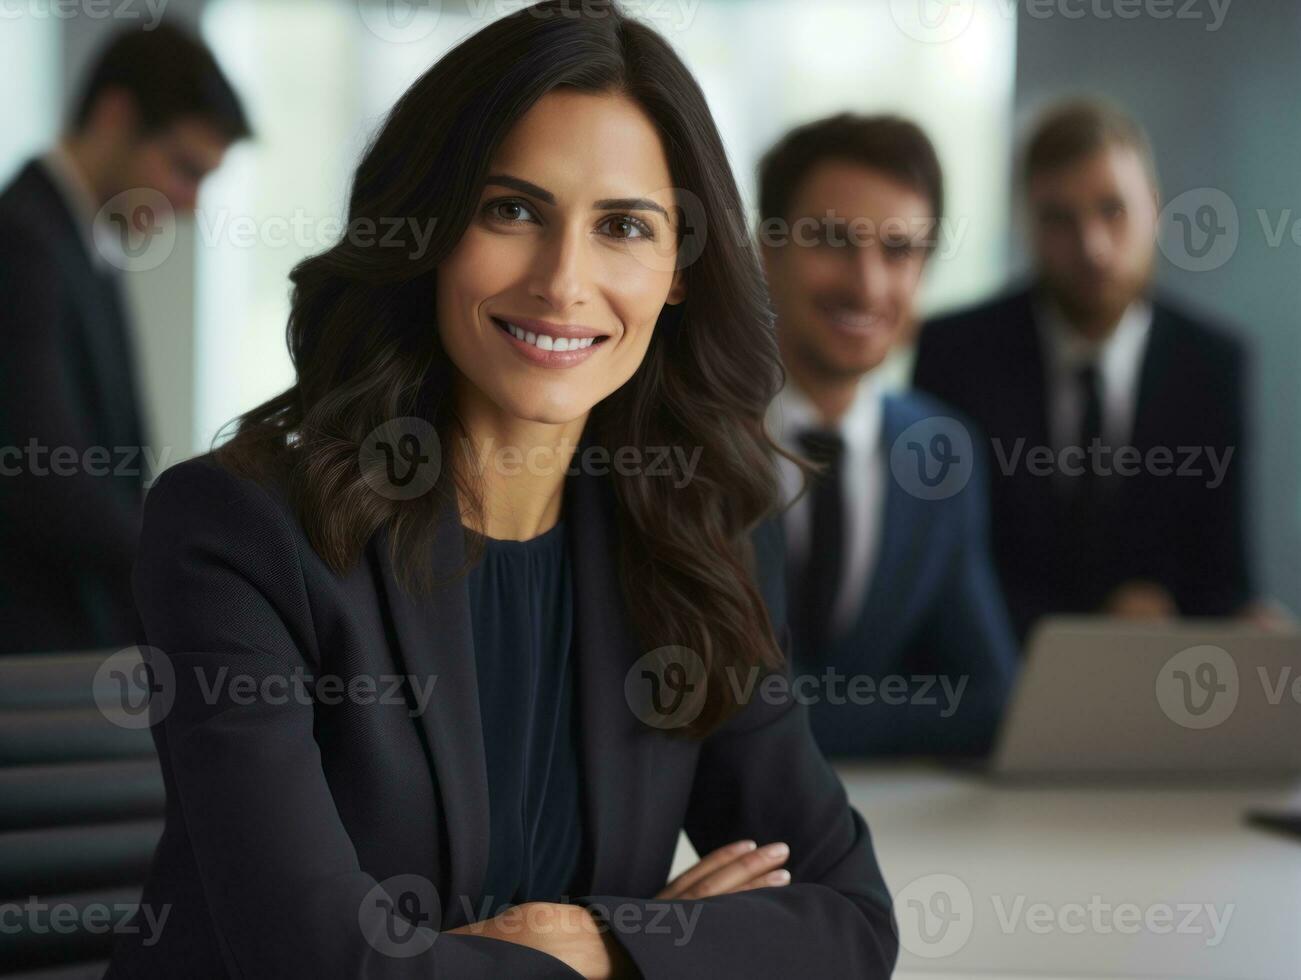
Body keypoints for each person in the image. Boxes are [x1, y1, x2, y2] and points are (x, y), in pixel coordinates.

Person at [104, 3, 898, 978]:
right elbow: (323, 965)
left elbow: (850, 919)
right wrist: (656, 948)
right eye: (511, 209)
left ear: (679, 273)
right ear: (432, 229)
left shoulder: (692, 532)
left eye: (622, 226)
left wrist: (601, 941)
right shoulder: (240, 531)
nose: (563, 281)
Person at [914, 99, 1255, 642]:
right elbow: (936, 572)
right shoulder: (955, 353)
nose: (1092, 246)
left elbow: (1225, 577)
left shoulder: (1212, 366)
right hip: (998, 688)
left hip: (1164, 687)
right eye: (1059, 219)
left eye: (1112, 210)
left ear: (1155, 209)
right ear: (1027, 223)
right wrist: (1088, 629)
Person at [759, 114, 1017, 758]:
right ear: (765, 252)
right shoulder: (676, 443)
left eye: (898, 251)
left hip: (895, 827)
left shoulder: (940, 449)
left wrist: (780, 717)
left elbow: (985, 696)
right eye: (831, 240)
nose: (867, 283)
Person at [0, 23, 249, 655]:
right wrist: (210, 561)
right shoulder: (22, 241)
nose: (192, 204)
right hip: (33, 662)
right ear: (114, 116)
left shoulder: (78, 239)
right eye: (184, 168)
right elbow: (52, 483)